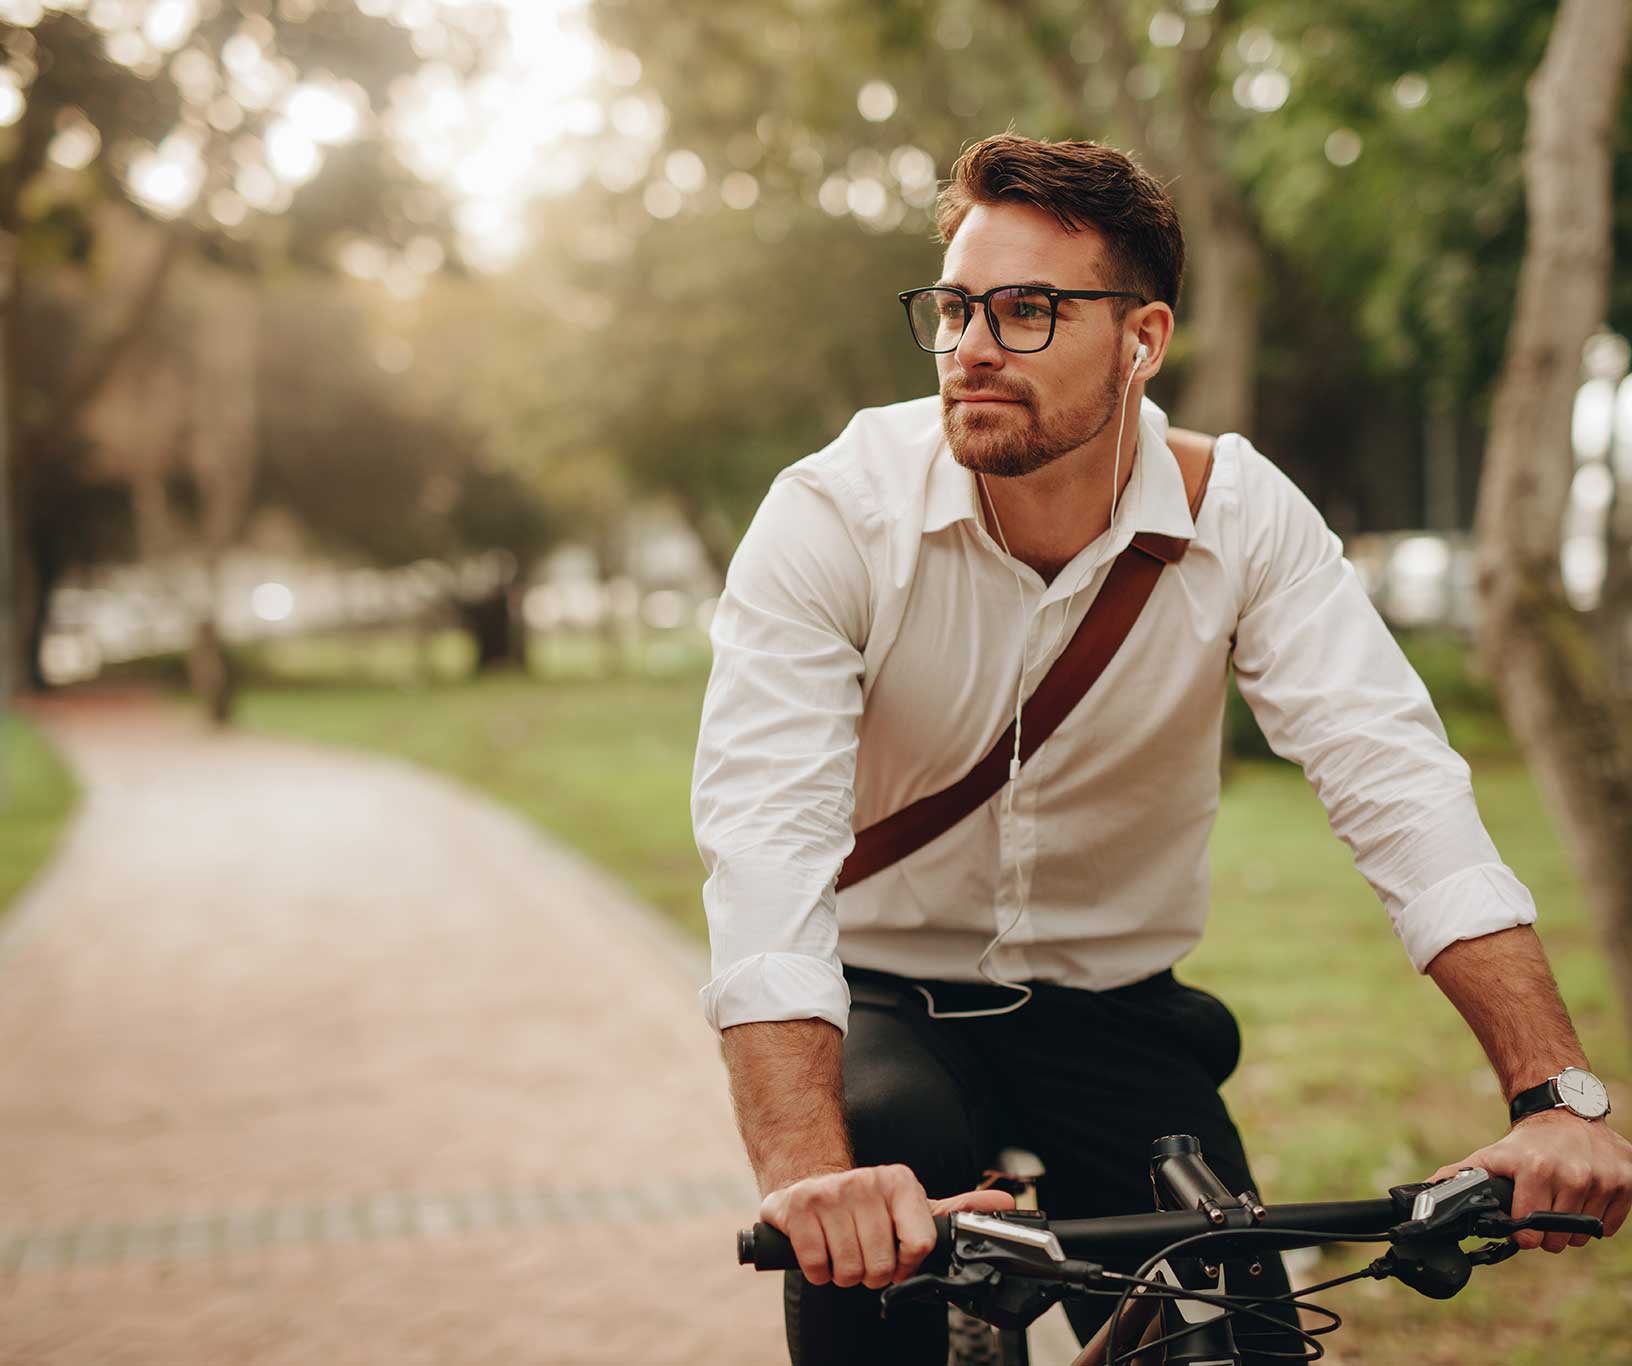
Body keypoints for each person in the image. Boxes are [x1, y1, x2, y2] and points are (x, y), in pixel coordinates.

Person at [690, 133, 1632, 1363]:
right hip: (882, 1002)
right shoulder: (831, 515)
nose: (970, 345)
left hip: (1112, 1015)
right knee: (880, 1167)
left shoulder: (1240, 518)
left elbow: (1398, 789)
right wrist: (809, 1176)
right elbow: (765, 841)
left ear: (1141, 341)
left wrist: (1550, 1097)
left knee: (1230, 1331)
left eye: (1026, 310)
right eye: (954, 307)